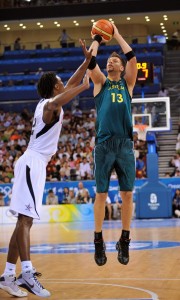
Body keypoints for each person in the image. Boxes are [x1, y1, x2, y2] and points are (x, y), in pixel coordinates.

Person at [0, 39, 92, 298]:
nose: (65, 83)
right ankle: (27, 273)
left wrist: (85, 62)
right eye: (61, 82)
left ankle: (8, 275)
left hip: (34, 163)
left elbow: (71, 84)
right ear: (54, 87)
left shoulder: (52, 100)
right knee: (26, 220)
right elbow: (63, 96)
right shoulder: (47, 105)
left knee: (22, 221)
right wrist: (84, 87)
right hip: (32, 163)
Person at [87, 23, 137, 266]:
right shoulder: (101, 83)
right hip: (105, 145)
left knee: (127, 194)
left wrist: (115, 34)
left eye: (115, 61)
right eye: (109, 61)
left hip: (125, 144)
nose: (111, 62)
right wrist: (97, 38)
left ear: (121, 67)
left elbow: (132, 57)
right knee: (101, 194)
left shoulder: (128, 83)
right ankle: (98, 241)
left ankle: (124, 240)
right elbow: (90, 64)